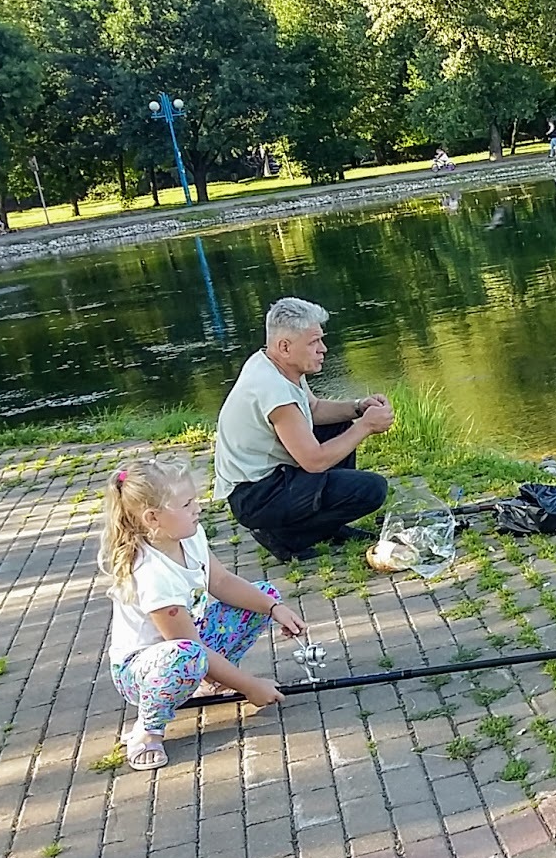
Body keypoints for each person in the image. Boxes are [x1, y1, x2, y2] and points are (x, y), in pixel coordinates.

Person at [101, 458, 307, 770]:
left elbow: (221, 581)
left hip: (189, 643)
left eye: (194, 499)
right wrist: (249, 686)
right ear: (153, 518)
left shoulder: (189, 536)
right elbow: (187, 643)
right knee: (187, 657)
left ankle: (208, 682)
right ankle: (147, 729)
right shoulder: (153, 574)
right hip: (141, 671)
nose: (197, 508)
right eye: (186, 504)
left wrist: (274, 608)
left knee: (263, 595)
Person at [213, 298, 393, 563]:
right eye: (313, 342)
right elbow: (314, 460)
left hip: (268, 480)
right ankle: (287, 537)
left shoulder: (272, 364)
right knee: (372, 489)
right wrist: (366, 426)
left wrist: (358, 408)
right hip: (255, 495)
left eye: (320, 339)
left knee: (338, 425)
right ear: (285, 347)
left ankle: (328, 526)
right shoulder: (273, 390)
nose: (323, 349)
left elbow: (315, 409)